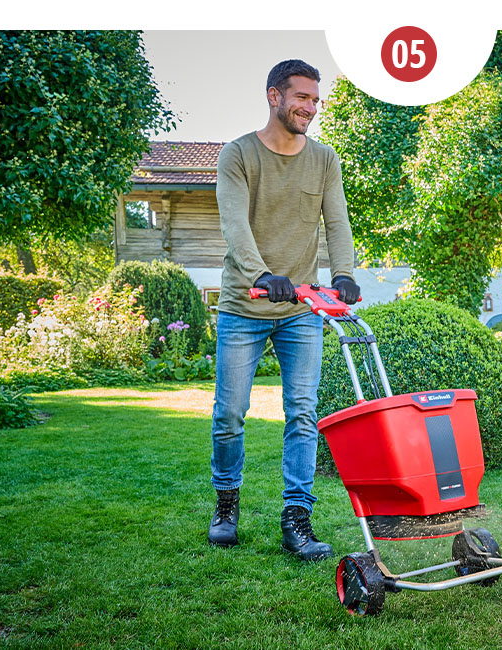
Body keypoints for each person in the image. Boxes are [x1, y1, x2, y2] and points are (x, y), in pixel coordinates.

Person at [208, 59, 360, 561]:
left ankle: (297, 519)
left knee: (303, 415)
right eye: (302, 98)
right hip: (244, 305)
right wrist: (259, 274)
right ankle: (226, 505)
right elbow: (235, 224)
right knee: (230, 415)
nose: (310, 109)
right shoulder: (238, 155)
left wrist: (345, 274)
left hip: (300, 309)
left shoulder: (324, 159)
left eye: (316, 100)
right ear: (274, 96)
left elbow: (336, 222)